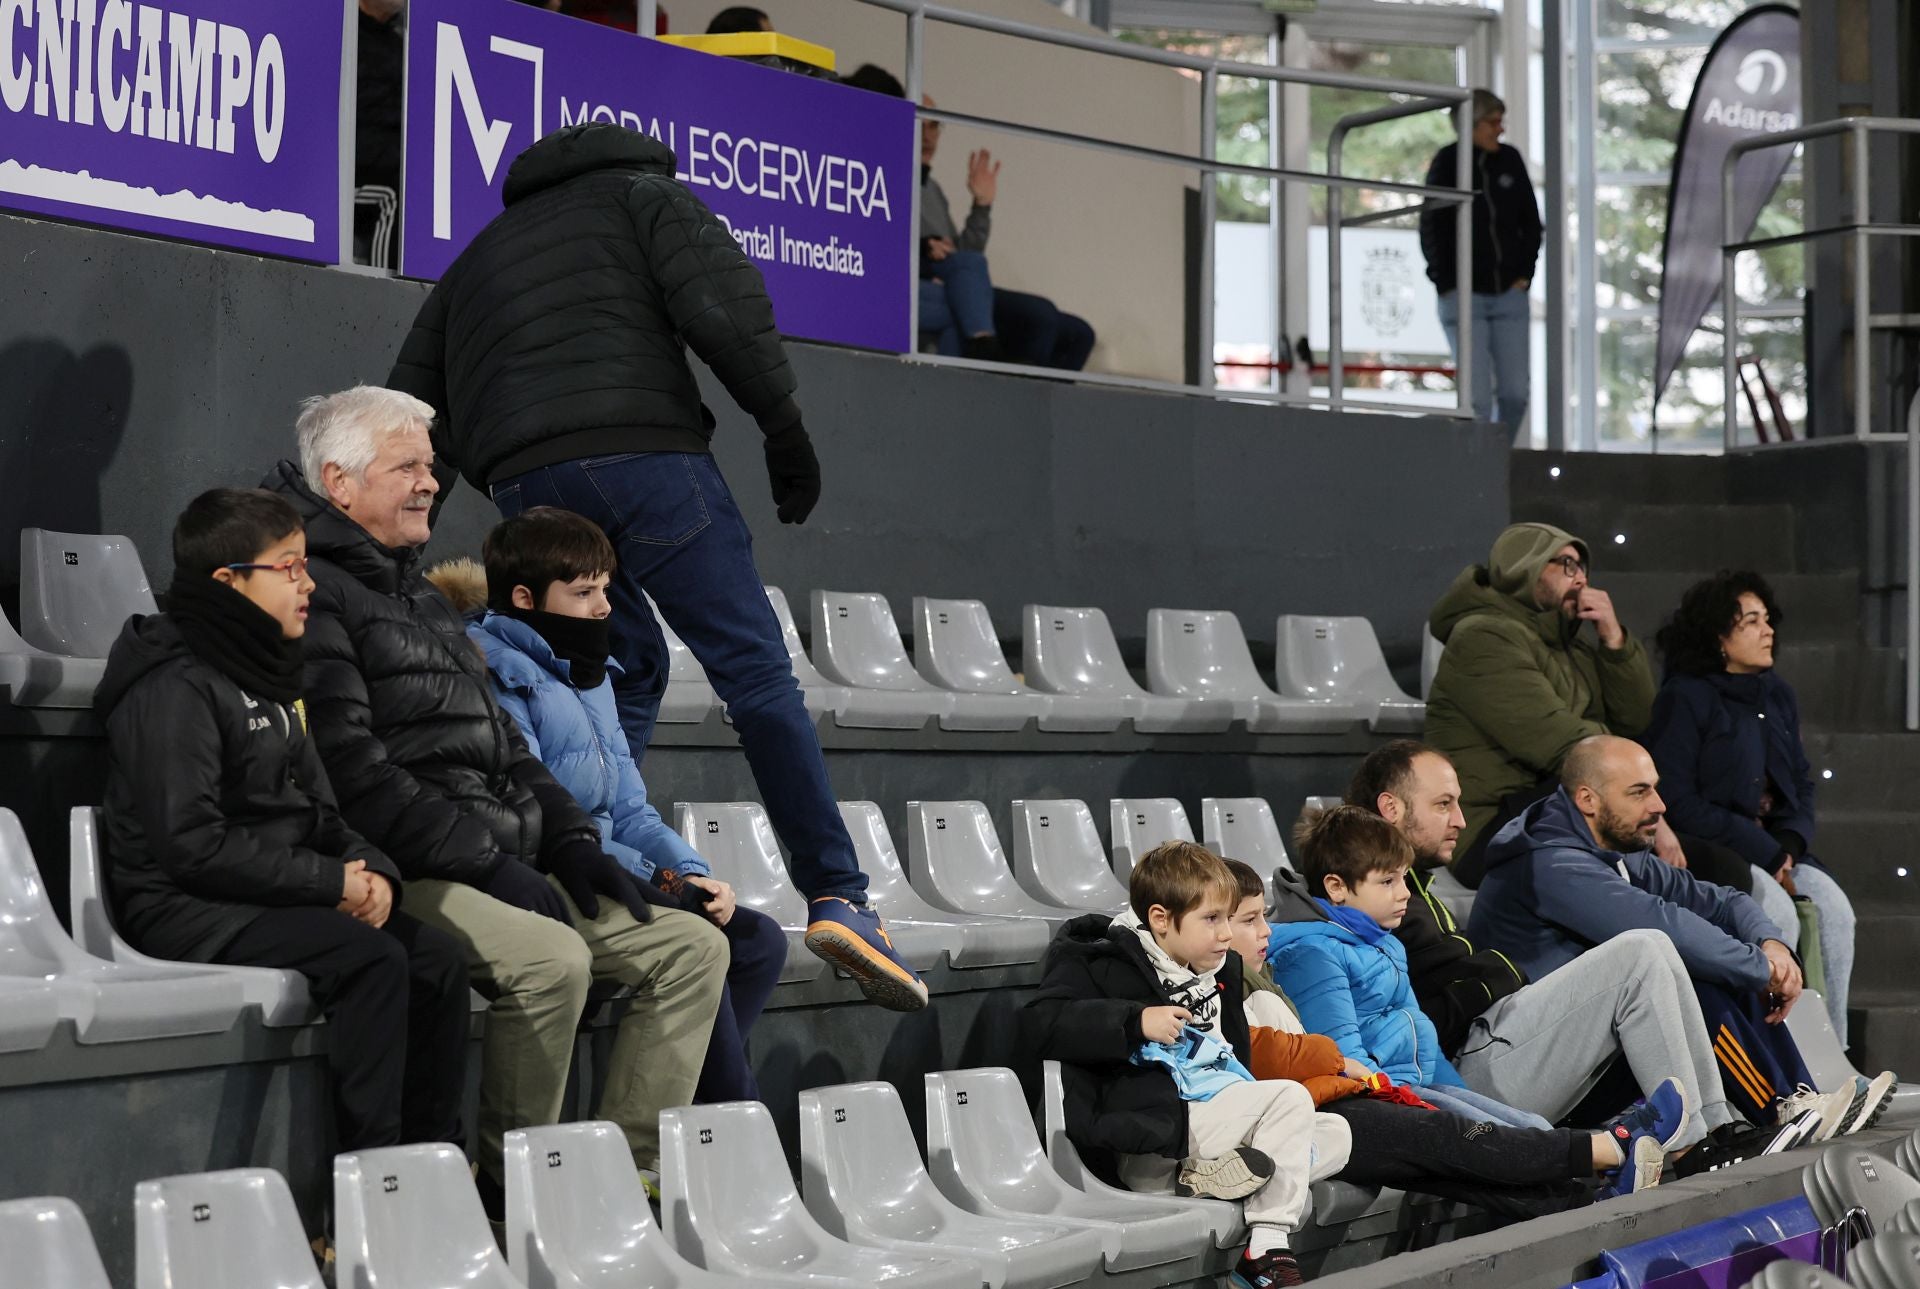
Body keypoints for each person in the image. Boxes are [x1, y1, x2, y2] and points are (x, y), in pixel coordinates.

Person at [385, 122, 927, 1013]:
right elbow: (726, 312)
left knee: (620, 663)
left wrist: (406, 532)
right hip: (647, 454)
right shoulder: (647, 197)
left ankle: (599, 868)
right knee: (754, 673)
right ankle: (840, 894)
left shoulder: (480, 251)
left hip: (528, 477)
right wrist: (782, 430)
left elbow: (414, 400)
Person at [263, 385, 729, 1222]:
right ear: (339, 481)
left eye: (431, 467)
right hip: (412, 864)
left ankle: (621, 1180)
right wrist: (490, 862)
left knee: (692, 949)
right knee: (554, 962)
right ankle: (509, 1192)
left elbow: (508, 747)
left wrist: (575, 839)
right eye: (406, 466)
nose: (430, 482)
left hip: (505, 853)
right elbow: (353, 771)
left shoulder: (424, 599)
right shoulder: (317, 594)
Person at [96, 488, 470, 1155]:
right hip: (187, 904)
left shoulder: (268, 671)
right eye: (288, 567)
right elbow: (190, 845)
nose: (308, 582)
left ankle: (429, 1164)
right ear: (228, 581)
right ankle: (365, 1183)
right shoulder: (172, 682)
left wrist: (374, 874)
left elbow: (321, 811)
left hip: (271, 891)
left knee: (436, 959)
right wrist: (331, 883)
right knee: (372, 961)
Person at [427, 507, 787, 1103]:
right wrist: (665, 882)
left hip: (615, 864)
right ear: (524, 596)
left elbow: (630, 809)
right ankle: (723, 1122)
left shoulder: (592, 677)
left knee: (760, 940)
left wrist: (690, 871)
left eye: (605, 589)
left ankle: (697, 1110)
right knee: (702, 938)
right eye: (584, 592)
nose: (603, 608)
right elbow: (545, 815)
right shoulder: (493, 672)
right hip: (554, 867)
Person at [1469, 736, 1894, 1136]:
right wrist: (1762, 968)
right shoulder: (1553, 867)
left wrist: (1772, 945)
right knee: (1699, 975)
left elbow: (1723, 901)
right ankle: (1781, 1111)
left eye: (1655, 789)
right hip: (1540, 1072)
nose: (1659, 805)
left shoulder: (1610, 847)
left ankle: (1801, 1101)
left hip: (1593, 1048)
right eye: (1639, 792)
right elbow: (1664, 927)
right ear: (1587, 800)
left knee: (1724, 958)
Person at [1349, 739, 1745, 1152]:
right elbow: (1422, 1018)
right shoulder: (1365, 904)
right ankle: (1689, 1145)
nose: (1462, 821)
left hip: (1491, 1048)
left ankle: (1714, 1127)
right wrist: (1496, 973)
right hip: (1465, 1081)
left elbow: (1463, 980)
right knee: (1641, 953)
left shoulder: (1416, 889)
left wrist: (1487, 974)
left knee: (1656, 949)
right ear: (1391, 808)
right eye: (1444, 804)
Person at [1222, 859, 1674, 1213]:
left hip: (1337, 1100)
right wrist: (1340, 1064)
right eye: (1247, 921)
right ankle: (1609, 1147)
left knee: (1453, 1163)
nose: (1265, 930)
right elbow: (1277, 1053)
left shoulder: (1260, 976)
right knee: (1453, 1138)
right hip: (1326, 1109)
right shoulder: (1241, 982)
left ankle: (1583, 1204)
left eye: (1262, 916)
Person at [1024, 839, 1355, 1288]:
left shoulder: (1220, 970)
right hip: (1161, 1132)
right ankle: (1267, 1246)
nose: (1225, 933)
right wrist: (1135, 1020)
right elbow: (1042, 1025)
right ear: (1161, 919)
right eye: (1211, 919)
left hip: (1214, 1121)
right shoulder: (1102, 961)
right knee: (1290, 1099)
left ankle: (1210, 1179)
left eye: (1226, 917)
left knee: (1337, 1133)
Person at [1641, 572, 1857, 1046]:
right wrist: (1764, 848)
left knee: (1836, 912)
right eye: (1752, 621)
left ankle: (1833, 1052)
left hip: (1778, 848)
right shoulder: (1685, 697)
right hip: (1718, 848)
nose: (1768, 631)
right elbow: (1677, 798)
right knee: (1775, 915)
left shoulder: (1777, 694)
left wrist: (1790, 843)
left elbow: (1800, 782)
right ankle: (1780, 1054)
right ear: (1720, 637)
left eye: (1768, 619)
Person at [1268, 807, 1554, 1130]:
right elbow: (1345, 1066)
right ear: (1337, 887)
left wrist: (1462, 1097)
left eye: (1404, 877)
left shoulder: (1386, 943)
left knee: (1533, 1129)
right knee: (1518, 1145)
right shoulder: (1312, 955)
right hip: (1378, 1106)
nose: (1405, 892)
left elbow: (1422, 1033)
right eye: (1388, 881)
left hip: (1413, 1088)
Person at [1426, 522, 1667, 887]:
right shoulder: (1482, 637)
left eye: (1583, 567)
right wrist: (1641, 799)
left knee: (1705, 865)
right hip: (1490, 827)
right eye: (1568, 565)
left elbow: (1636, 720)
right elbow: (1558, 742)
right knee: (1667, 868)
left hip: (1554, 805)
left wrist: (1614, 641)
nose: (1582, 579)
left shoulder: (1572, 644)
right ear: (1524, 566)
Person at [840, 64, 1097, 371]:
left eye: (935, 125)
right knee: (1040, 316)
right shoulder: (881, 177)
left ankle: (1036, 407)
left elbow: (965, 258)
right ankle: (1006, 388)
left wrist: (981, 206)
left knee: (1079, 333)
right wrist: (926, 252)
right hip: (930, 286)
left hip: (961, 288)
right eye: (920, 123)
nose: (928, 135)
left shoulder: (932, 188)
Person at [1417, 88, 1540, 434]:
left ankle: (1498, 460)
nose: (1499, 130)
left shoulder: (1510, 160)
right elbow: (1432, 225)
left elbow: (1530, 223)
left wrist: (1523, 275)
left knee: (1516, 394)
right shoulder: (1448, 162)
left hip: (1509, 296)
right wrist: (1445, 282)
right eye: (1492, 123)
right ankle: (1480, 470)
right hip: (1463, 297)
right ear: (1471, 124)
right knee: (1478, 402)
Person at [352, 0, 404, 269]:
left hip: (392, 163)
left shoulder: (403, 45)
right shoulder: (344, 33)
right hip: (352, 173)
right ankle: (380, 300)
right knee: (395, 195)